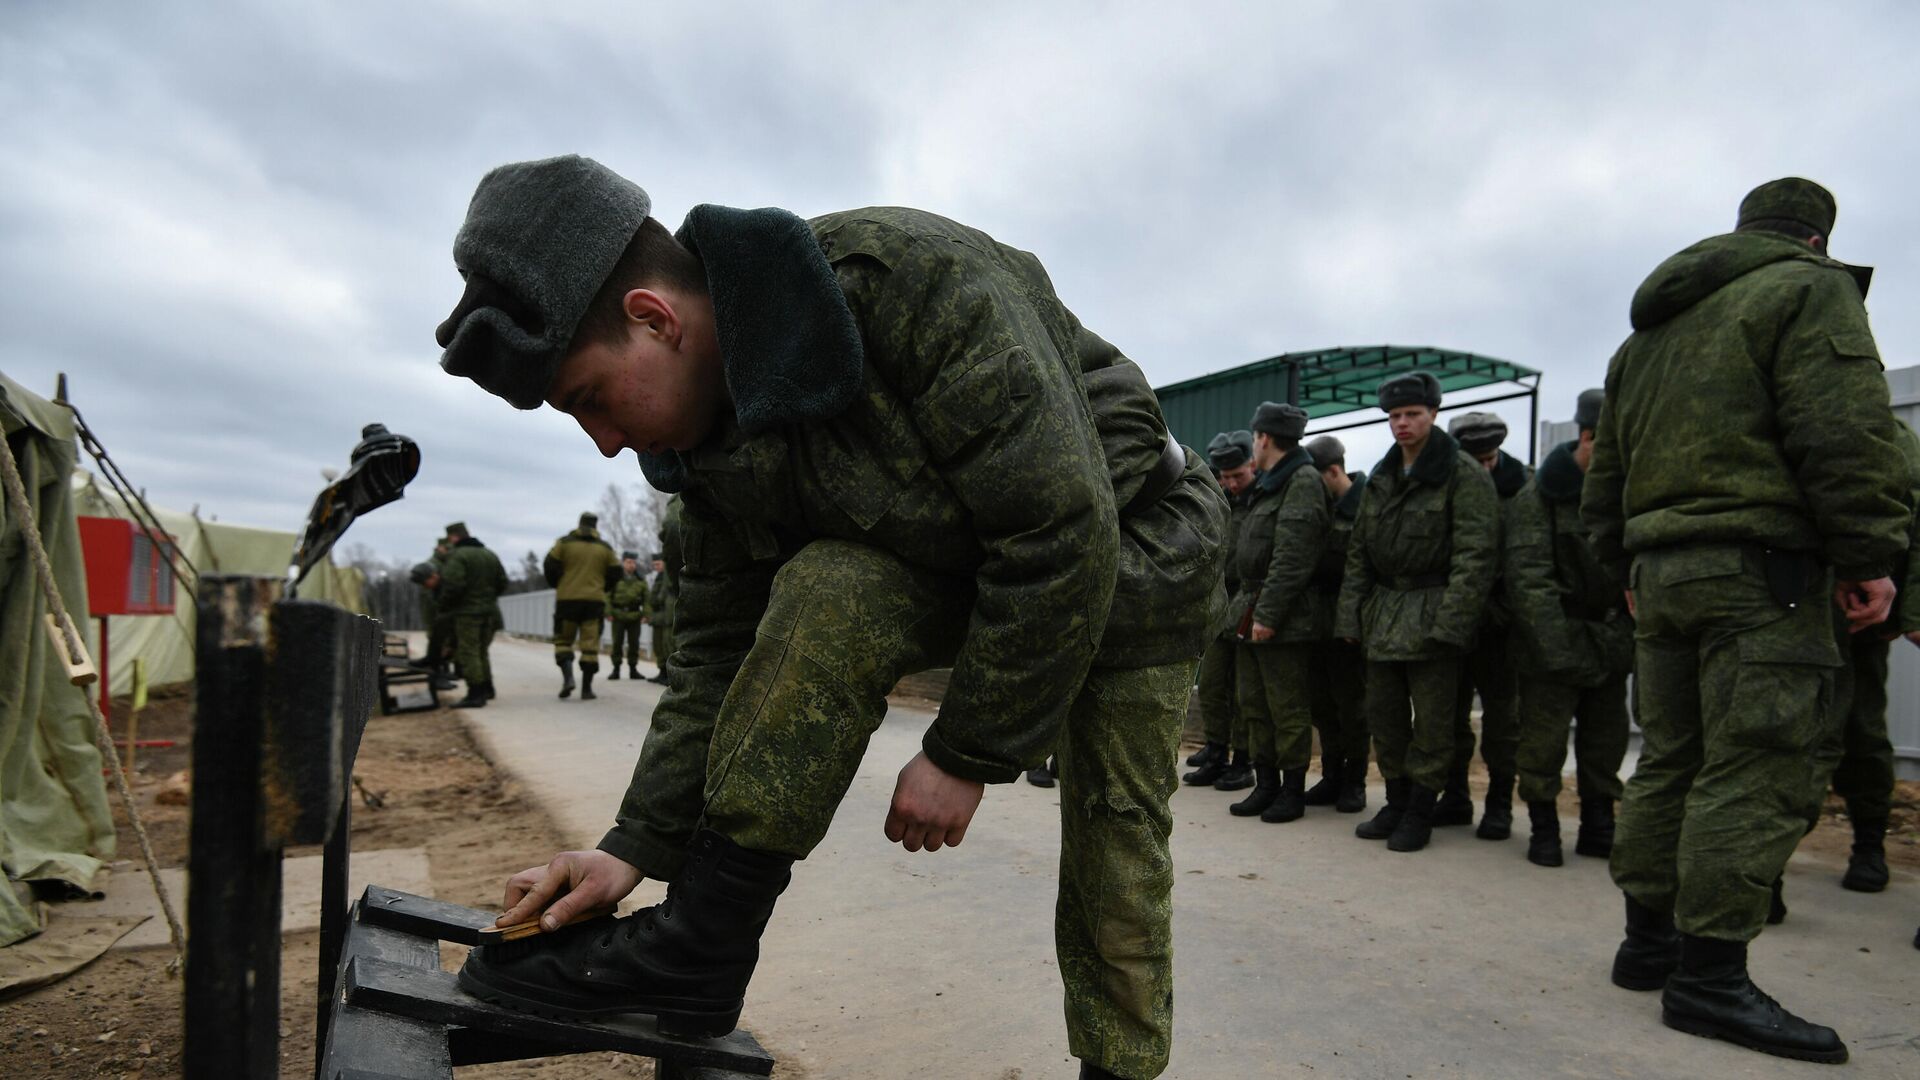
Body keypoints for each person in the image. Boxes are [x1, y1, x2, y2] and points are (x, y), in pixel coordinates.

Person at [432, 155, 1227, 1079]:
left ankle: (1116, 1073)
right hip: (972, 560)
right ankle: (701, 947)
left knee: (1114, 839)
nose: (605, 440)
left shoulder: (907, 284)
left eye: (590, 400)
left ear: (655, 319)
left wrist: (965, 750)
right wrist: (631, 847)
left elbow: (1058, 530)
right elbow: (717, 664)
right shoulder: (710, 452)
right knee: (828, 589)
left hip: (1135, 545)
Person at [1583, 177, 1908, 1064]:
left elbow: (1603, 474)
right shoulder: (1811, 290)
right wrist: (1871, 553)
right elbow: (1843, 429)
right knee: (1756, 768)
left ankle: (1646, 946)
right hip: (1766, 575)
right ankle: (1710, 980)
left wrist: (1624, 571)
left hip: (1664, 575)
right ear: (1817, 239)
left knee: (1670, 760)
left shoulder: (1645, 336)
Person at [1335, 372, 1498, 853]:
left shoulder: (1461, 473)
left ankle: (1422, 807)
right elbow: (1360, 553)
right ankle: (1397, 798)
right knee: (1383, 716)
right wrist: (1350, 619)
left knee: (1433, 721)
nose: (1402, 424)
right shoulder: (1383, 476)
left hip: (1433, 610)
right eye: (1394, 416)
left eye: (1412, 415)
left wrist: (1452, 623)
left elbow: (1476, 555)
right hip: (1385, 613)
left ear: (1433, 414)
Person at [1505, 389, 1633, 868]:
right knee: (1543, 741)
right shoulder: (1539, 496)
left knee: (1606, 740)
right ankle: (1544, 827)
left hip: (1608, 639)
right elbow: (1528, 579)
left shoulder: (1625, 493)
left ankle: (1600, 825)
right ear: (1587, 438)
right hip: (1551, 644)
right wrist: (1559, 648)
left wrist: (1620, 636)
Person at [1228, 402, 1330, 823]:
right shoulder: (1272, 482)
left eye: (1255, 437)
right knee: (1254, 702)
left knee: (1286, 708)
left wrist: (1268, 615)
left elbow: (1293, 557)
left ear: (1264, 438)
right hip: (1251, 607)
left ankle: (1291, 790)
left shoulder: (1301, 481)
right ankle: (1265, 783)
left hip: (1282, 615)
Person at [1438, 412, 1529, 841]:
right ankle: (1455, 798)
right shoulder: (1444, 485)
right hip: (1455, 619)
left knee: (1501, 721)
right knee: (1450, 717)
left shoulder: (1526, 488)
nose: (1482, 470)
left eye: (1489, 460)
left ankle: (1499, 805)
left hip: (1502, 625)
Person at [1183, 430, 1256, 788]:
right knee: (1211, 684)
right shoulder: (1222, 500)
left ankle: (1242, 760)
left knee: (1243, 691)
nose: (1230, 483)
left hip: (1248, 602)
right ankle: (1216, 750)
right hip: (1220, 602)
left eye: (1237, 476)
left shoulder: (1260, 500)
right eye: (1225, 477)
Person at [1303, 434, 1368, 812]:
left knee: (1353, 705)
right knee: (1323, 703)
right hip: (1318, 620)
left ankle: (1355, 782)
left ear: (1332, 471)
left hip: (1350, 622)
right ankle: (1332, 776)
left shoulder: (1366, 504)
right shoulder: (1322, 508)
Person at [546, 511, 621, 700]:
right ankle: (586, 689)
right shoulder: (605, 548)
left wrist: (560, 584)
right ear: (595, 526)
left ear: (579, 524)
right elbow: (616, 571)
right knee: (590, 646)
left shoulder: (564, 544)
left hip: (567, 600)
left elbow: (549, 565)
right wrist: (603, 587)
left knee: (563, 641)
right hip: (593, 601)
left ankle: (568, 678)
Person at [439, 521, 510, 708]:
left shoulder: (458, 556)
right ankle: (487, 688)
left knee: (469, 651)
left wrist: (445, 605)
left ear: (454, 537)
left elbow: (453, 585)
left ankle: (476, 693)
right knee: (481, 651)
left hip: (468, 612)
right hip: (489, 611)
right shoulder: (489, 555)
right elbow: (503, 582)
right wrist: (488, 597)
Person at [646, 495, 684, 685]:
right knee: (661, 645)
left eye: (658, 562)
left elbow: (672, 527)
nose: (656, 566)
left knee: (672, 643)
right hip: (660, 615)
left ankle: (673, 676)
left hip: (671, 610)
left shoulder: (670, 570)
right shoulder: (655, 577)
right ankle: (665, 672)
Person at [607, 549, 650, 681]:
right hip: (618, 615)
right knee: (617, 643)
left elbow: (647, 599)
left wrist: (646, 614)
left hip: (634, 615)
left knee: (634, 644)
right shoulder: (615, 578)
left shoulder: (641, 580)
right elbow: (607, 595)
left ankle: (633, 669)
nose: (631, 565)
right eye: (629, 562)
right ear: (623, 562)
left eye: (633, 562)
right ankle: (616, 669)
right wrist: (608, 612)